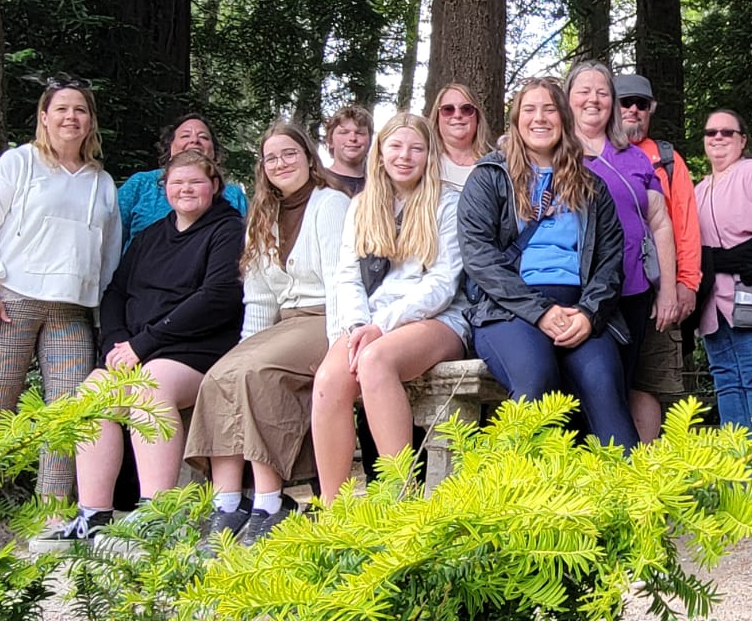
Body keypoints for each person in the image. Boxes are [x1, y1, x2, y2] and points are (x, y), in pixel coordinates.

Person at [31, 150, 245, 550]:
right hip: (136, 348)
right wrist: (117, 343)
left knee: (150, 388)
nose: (185, 190)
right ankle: (94, 515)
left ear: (215, 186)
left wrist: (143, 344)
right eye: (177, 182)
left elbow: (218, 297)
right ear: (164, 189)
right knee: (91, 396)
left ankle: (156, 515)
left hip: (195, 348)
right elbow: (116, 292)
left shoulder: (228, 230)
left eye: (195, 182)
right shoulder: (150, 236)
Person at [0, 76, 122, 548]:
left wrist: (100, 314)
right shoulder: (19, 163)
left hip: (70, 309)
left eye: (81, 110)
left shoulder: (101, 182)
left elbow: (107, 254)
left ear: (90, 122)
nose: (71, 117)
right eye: (62, 109)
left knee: (66, 414)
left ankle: (51, 519)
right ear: (44, 117)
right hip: (7, 299)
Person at [181, 123, 350, 546]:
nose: (281, 163)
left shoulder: (330, 203)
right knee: (221, 375)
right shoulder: (263, 214)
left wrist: (340, 342)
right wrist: (244, 349)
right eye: (271, 157)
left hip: (327, 317)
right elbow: (258, 299)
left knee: (257, 373)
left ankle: (270, 503)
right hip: (285, 323)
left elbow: (341, 280)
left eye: (289, 153)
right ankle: (227, 502)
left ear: (309, 157)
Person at [459, 78, 638, 448]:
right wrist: (539, 311)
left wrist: (589, 314)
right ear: (516, 120)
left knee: (604, 383)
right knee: (536, 379)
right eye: (529, 109)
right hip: (509, 309)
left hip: (578, 308)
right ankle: (515, 481)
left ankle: (629, 485)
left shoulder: (592, 187)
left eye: (549, 109)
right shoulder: (489, 177)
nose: (539, 118)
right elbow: (479, 257)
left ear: (564, 119)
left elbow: (610, 263)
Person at [312, 114, 468, 505]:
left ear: (429, 155)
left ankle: (402, 497)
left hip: (438, 318)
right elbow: (347, 277)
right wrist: (356, 326)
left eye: (416, 148)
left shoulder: (447, 204)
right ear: (380, 153)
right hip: (369, 321)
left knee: (375, 360)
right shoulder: (362, 206)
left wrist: (380, 326)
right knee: (330, 379)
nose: (404, 156)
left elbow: (442, 283)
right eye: (395, 147)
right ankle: (332, 507)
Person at [564, 62, 678, 410]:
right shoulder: (554, 152)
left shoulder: (635, 157)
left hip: (632, 289)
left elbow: (660, 222)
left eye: (602, 92)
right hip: (576, 290)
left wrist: (668, 290)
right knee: (579, 388)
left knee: (623, 384)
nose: (593, 99)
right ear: (567, 98)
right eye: (584, 91)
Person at [694, 110, 752, 484]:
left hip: (750, 292)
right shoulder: (698, 190)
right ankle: (738, 471)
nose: (718, 138)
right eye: (711, 132)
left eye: (727, 132)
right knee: (726, 380)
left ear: (742, 139)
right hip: (711, 303)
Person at [613, 73, 701, 442]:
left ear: (651, 109)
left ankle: (645, 462)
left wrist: (686, 283)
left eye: (642, 104)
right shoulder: (587, 150)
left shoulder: (667, 159)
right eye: (625, 102)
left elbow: (685, 224)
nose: (633, 110)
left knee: (648, 382)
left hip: (656, 291)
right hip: (606, 288)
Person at [117, 113, 250, 248]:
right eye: (185, 136)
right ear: (170, 146)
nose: (194, 140)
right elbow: (110, 236)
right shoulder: (141, 184)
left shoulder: (233, 195)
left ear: (214, 151)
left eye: (203, 137)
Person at [427, 82, 493, 189]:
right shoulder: (424, 163)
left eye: (466, 109)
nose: (457, 115)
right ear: (437, 118)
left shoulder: (495, 165)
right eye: (448, 109)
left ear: (477, 117)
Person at [322, 105, 372, 196]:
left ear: (370, 141)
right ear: (330, 140)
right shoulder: (318, 182)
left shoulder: (378, 186)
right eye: (344, 133)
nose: (352, 138)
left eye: (360, 133)